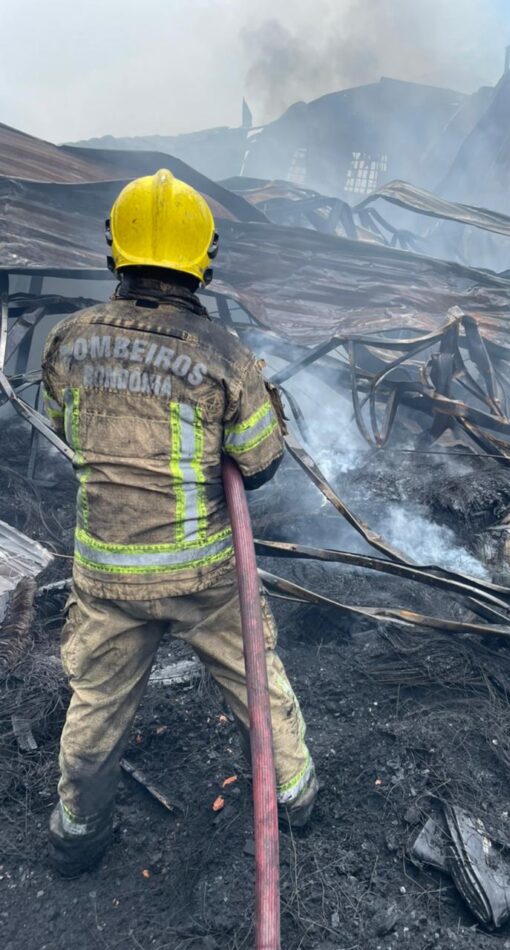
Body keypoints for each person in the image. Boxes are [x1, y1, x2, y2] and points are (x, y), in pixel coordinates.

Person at [41, 168, 317, 877]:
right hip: (204, 577)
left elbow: (64, 427)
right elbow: (259, 463)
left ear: (116, 249)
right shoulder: (222, 353)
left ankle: (78, 832)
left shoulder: (68, 340)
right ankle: (295, 800)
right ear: (203, 258)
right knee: (257, 683)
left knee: (96, 705)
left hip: (106, 574)